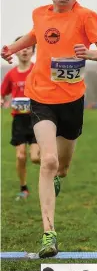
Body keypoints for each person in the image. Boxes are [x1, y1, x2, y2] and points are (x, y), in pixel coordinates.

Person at [1, 0, 97, 258]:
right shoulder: (40, 14)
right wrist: (12, 49)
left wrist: (90, 53)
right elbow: (35, 36)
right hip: (41, 99)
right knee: (48, 161)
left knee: (61, 167)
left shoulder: (86, 18)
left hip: (72, 102)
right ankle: (48, 234)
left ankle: (58, 178)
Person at [1, 37, 40, 200]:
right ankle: (24, 188)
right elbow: (3, 93)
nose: (24, 50)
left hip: (36, 119)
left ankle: (53, 167)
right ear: (16, 52)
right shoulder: (11, 74)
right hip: (19, 120)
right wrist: (2, 100)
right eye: (21, 48)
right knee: (20, 156)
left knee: (36, 157)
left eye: (28, 48)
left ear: (33, 52)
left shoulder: (38, 70)